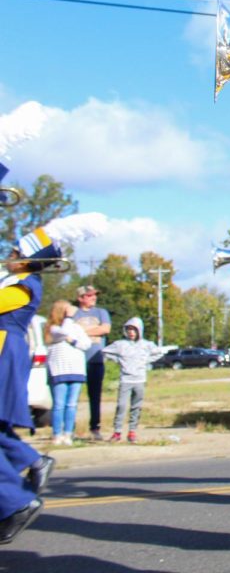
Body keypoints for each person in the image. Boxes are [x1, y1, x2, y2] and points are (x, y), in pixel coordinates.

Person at [0, 213, 106, 544]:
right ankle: (31, 461)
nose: (10, 258)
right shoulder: (14, 280)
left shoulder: (24, 285)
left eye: (16, 255)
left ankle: (16, 500)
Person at [101, 316, 166, 443]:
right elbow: (104, 351)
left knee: (136, 406)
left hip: (140, 379)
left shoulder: (146, 345)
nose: (131, 332)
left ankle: (132, 431)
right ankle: (117, 432)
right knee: (121, 405)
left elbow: (159, 353)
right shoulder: (120, 345)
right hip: (126, 379)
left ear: (139, 331)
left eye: (134, 330)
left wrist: (145, 361)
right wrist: (118, 360)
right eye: (129, 329)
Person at [44, 300, 92, 445]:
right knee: (59, 404)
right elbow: (63, 332)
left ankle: (68, 433)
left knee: (72, 404)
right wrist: (68, 318)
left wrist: (73, 341)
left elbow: (86, 344)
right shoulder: (53, 328)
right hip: (59, 370)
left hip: (76, 369)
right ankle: (57, 434)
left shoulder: (76, 327)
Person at [72, 284, 111, 441]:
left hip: (95, 358)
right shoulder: (74, 313)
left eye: (94, 295)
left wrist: (80, 332)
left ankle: (95, 427)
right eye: (89, 295)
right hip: (76, 360)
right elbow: (68, 332)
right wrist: (94, 329)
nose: (93, 297)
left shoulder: (101, 312)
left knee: (95, 396)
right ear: (80, 298)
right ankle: (70, 429)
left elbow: (105, 329)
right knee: (73, 396)